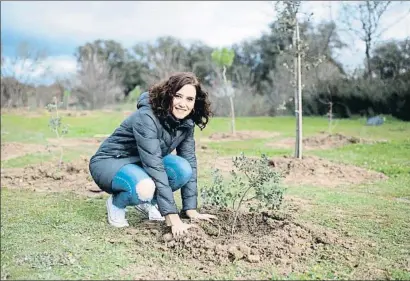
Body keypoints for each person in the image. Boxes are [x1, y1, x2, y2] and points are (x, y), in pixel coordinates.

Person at [89, 72, 217, 237]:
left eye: (189, 99)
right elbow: (154, 165)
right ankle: (116, 204)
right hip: (111, 161)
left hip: (140, 163)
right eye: (178, 96)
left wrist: (190, 209)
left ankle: (149, 203)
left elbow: (189, 160)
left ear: (195, 102)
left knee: (184, 169)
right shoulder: (147, 116)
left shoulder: (186, 123)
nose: (183, 104)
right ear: (168, 94)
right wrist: (172, 217)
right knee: (144, 187)